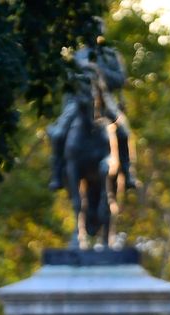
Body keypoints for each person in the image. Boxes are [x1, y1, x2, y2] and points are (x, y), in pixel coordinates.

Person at [47, 19, 138, 193]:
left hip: (104, 100)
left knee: (124, 132)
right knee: (58, 133)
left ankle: (128, 173)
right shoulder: (77, 56)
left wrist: (97, 70)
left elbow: (120, 79)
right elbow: (68, 83)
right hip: (78, 101)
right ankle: (57, 174)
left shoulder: (111, 55)